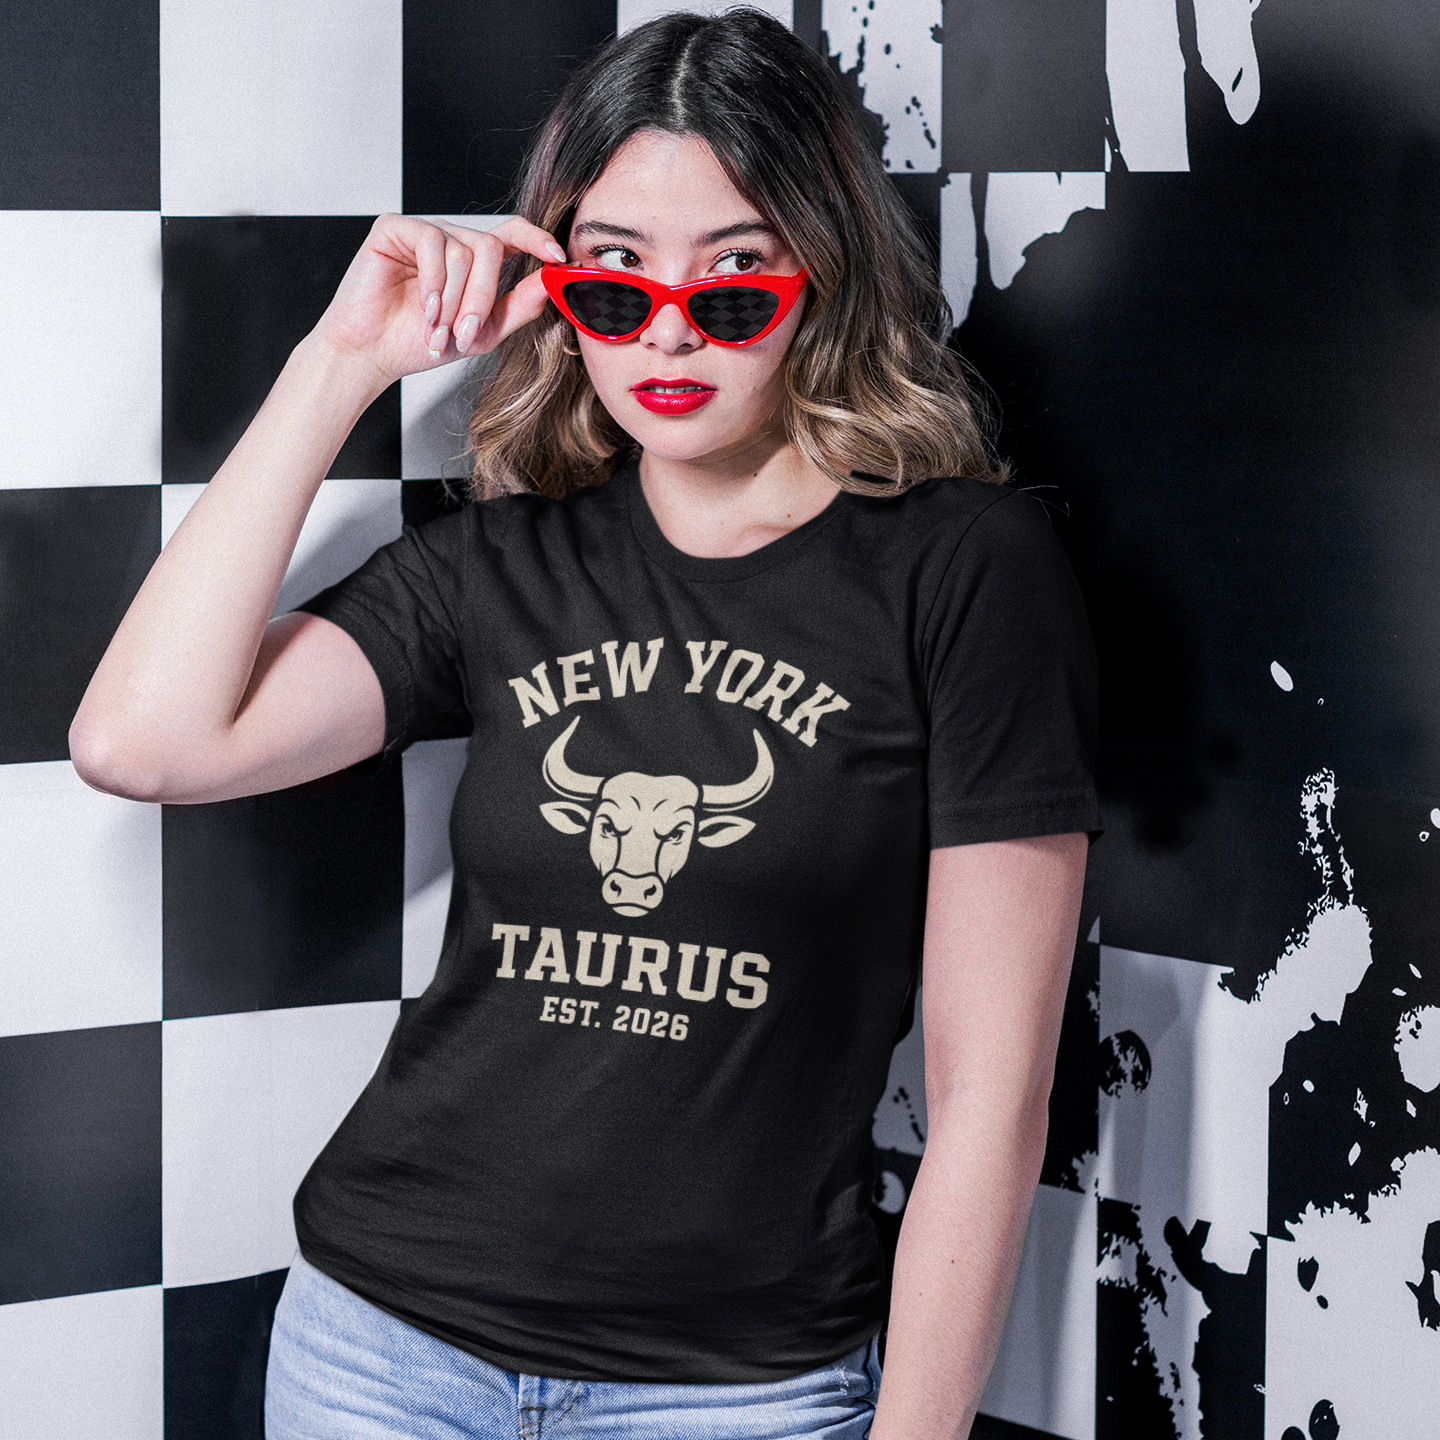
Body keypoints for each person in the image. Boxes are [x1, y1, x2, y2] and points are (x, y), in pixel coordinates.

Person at [71, 9, 1098, 1438]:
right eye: (614, 288)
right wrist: (343, 363)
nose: (668, 334)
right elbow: (142, 743)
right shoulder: (504, 562)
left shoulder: (960, 570)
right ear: (558, 290)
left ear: (827, 277)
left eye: (733, 289)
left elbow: (995, 1099)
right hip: (384, 1349)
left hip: (735, 1392)